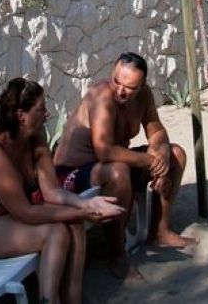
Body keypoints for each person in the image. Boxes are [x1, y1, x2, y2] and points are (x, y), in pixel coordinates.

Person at [0, 78, 125, 304]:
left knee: (73, 224)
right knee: (56, 232)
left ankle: (73, 298)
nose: (48, 114)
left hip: (7, 217)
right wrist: (84, 212)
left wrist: (88, 205)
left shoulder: (36, 139)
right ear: (21, 115)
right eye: (41, 108)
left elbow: (52, 192)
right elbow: (26, 213)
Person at [53, 52, 197, 279]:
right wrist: (151, 161)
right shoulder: (102, 96)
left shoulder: (144, 96)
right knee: (118, 171)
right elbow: (104, 151)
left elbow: (156, 131)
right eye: (116, 81)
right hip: (71, 174)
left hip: (110, 164)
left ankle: (160, 230)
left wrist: (163, 156)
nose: (120, 90)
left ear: (141, 86)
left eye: (129, 87)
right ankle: (116, 254)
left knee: (177, 154)